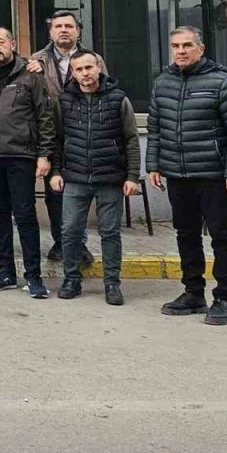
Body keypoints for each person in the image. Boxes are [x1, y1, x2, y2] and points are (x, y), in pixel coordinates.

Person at [148, 26, 227, 326]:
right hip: (178, 175)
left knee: (222, 236)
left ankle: (225, 299)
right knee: (186, 234)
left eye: (187, 45)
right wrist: (153, 165)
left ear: (201, 48)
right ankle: (193, 293)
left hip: (214, 175)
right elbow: (155, 128)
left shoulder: (222, 82)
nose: (181, 51)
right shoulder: (163, 82)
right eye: (175, 46)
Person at [0, 26, 56, 298]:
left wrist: (44, 155)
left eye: (1, 41)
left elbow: (44, 116)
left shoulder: (30, 75)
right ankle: (6, 271)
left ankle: (33, 276)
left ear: (13, 43)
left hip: (21, 155)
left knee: (25, 215)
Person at [54, 52, 140, 305]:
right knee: (70, 231)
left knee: (110, 232)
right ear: (73, 73)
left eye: (89, 67)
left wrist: (132, 176)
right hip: (75, 177)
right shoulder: (64, 101)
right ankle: (72, 279)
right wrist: (56, 171)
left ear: (99, 67)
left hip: (110, 177)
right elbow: (57, 139)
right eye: (79, 69)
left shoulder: (118, 99)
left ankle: (112, 283)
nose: (85, 73)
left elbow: (131, 138)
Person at [27, 10, 104, 265]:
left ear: (77, 31)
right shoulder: (37, 60)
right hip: (50, 134)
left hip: (83, 134)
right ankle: (61, 243)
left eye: (68, 26)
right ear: (50, 32)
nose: (63, 30)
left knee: (80, 192)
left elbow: (104, 91)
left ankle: (78, 244)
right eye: (58, 26)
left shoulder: (93, 59)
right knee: (55, 192)